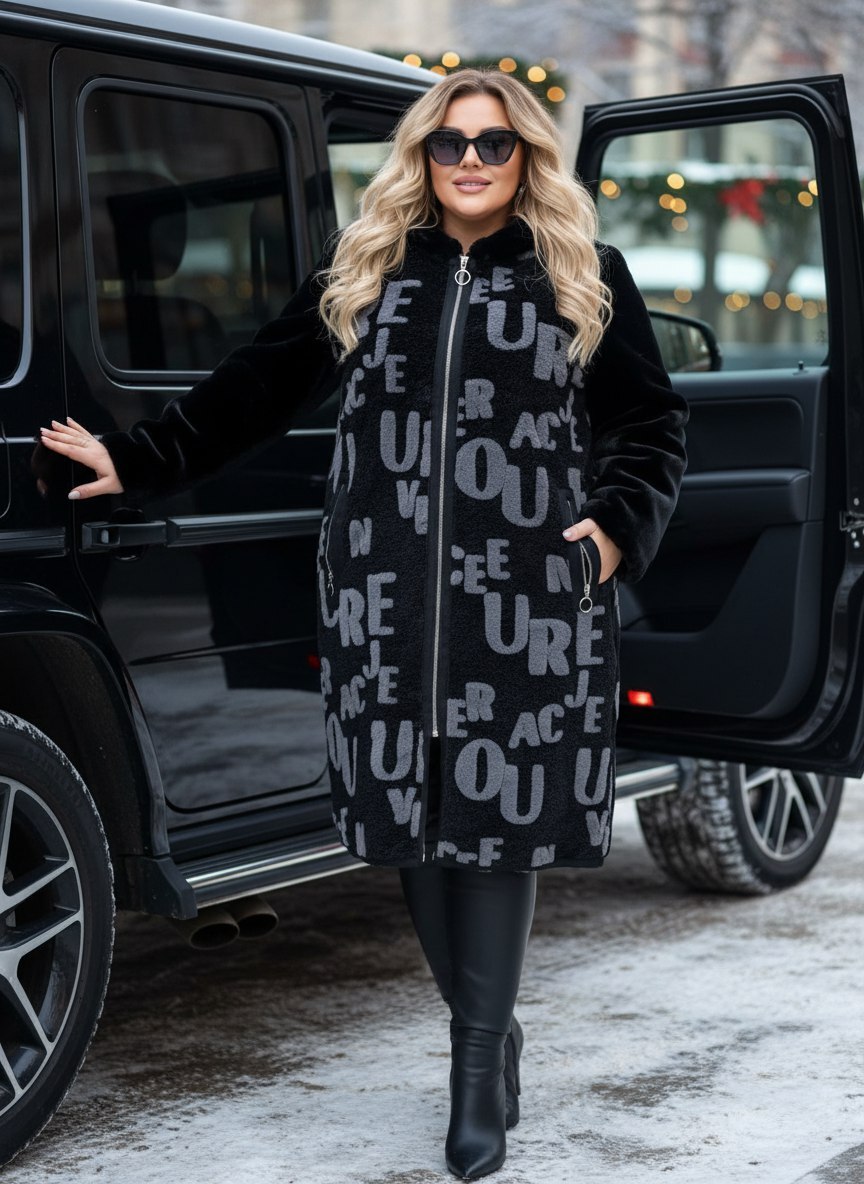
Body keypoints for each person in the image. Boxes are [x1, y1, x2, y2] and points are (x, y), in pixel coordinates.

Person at [39, 68, 688, 1180]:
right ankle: (487, 1029)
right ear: (422, 156)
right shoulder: (368, 267)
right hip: (385, 600)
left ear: (527, 157)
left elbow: (653, 424)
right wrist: (134, 458)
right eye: (450, 143)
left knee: (496, 824)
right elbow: (252, 390)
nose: (471, 161)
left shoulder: (584, 273)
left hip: (525, 603)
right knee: (410, 826)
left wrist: (613, 534)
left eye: (494, 143)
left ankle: (475, 1065)